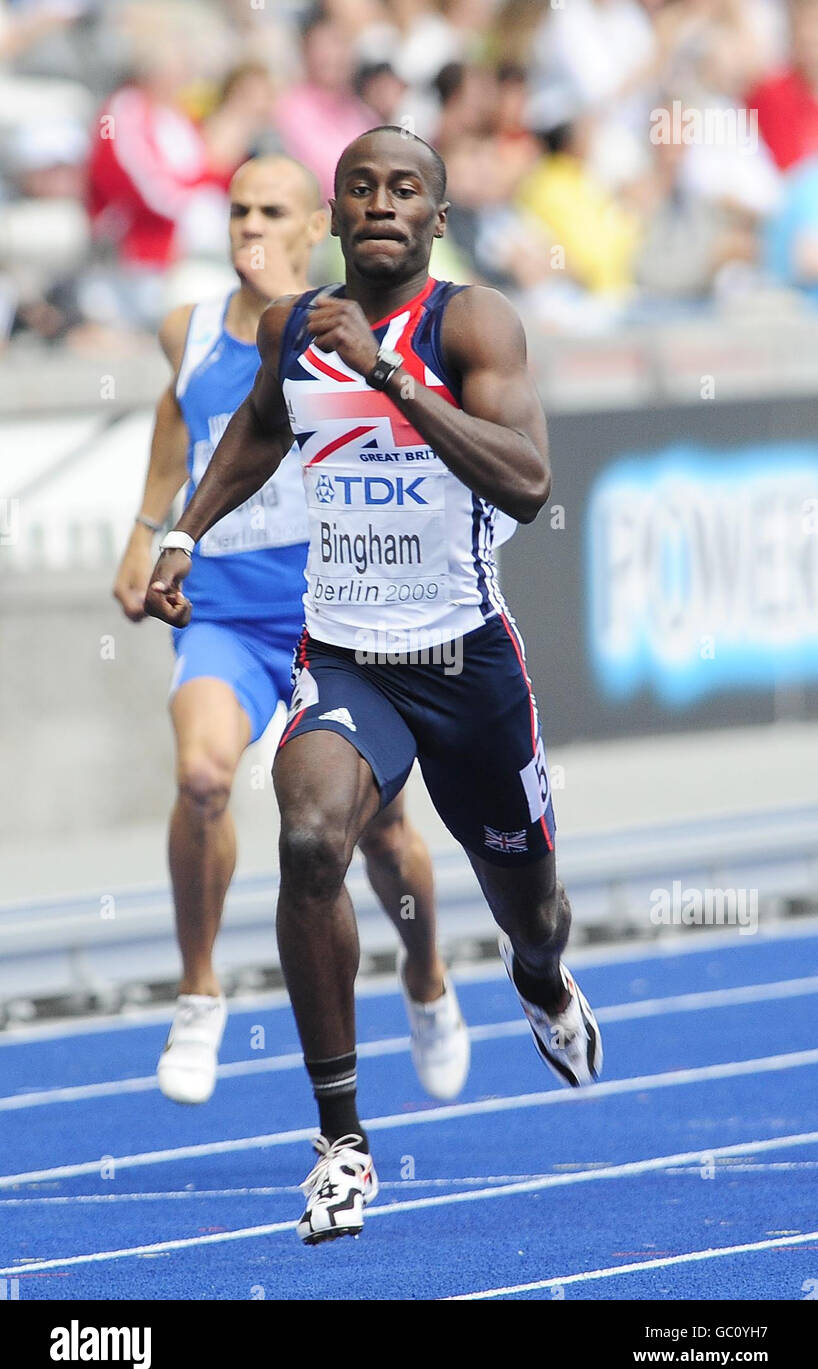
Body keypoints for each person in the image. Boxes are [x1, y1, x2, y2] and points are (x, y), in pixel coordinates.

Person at [145, 126, 602, 1245]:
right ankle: (341, 1141)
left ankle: (539, 982)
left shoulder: (471, 322)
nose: (382, 202)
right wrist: (183, 535)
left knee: (530, 906)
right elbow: (257, 431)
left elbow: (530, 481)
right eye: (362, 187)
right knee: (308, 840)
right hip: (347, 656)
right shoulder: (292, 328)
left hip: (465, 661)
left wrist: (389, 373)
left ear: (436, 219)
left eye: (406, 189)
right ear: (336, 217)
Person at [114, 153, 470, 1110]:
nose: (249, 228)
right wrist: (149, 535)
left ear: (317, 226)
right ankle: (198, 995)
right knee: (201, 778)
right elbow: (174, 427)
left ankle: (428, 976)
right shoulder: (184, 329)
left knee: (384, 837)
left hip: (329, 619)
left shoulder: (332, 329)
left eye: (272, 211)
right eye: (236, 210)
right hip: (225, 615)